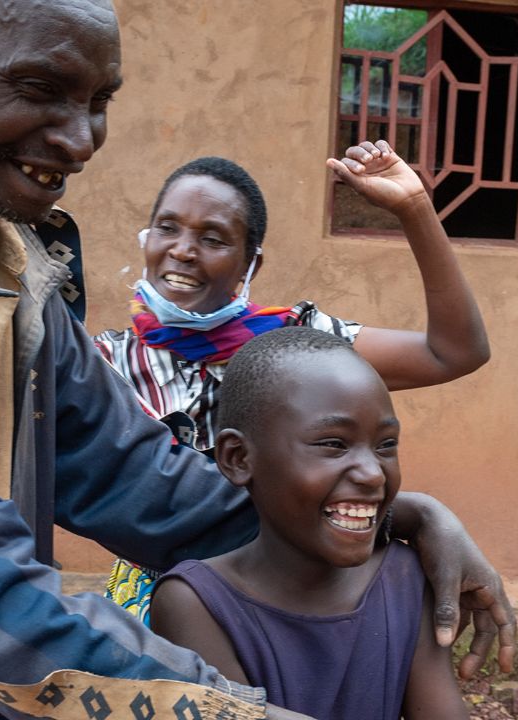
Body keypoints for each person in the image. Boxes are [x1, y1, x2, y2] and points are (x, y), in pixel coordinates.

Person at [0, 1, 513, 719]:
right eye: (38, 88)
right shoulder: (82, 327)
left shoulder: (16, 279)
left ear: (252, 261)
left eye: (99, 103)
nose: (80, 140)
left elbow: (139, 479)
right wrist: (228, 708)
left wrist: (387, 520)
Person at [97, 147, 489, 623]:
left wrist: (414, 209)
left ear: (250, 266)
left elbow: (454, 351)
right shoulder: (104, 362)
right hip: (157, 599)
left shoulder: (297, 344)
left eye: (213, 238)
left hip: (292, 590)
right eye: (167, 227)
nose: (181, 249)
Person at [149, 326, 470, 719]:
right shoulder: (196, 603)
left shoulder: (403, 577)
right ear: (238, 458)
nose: (372, 474)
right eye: (334, 444)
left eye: (385, 445)